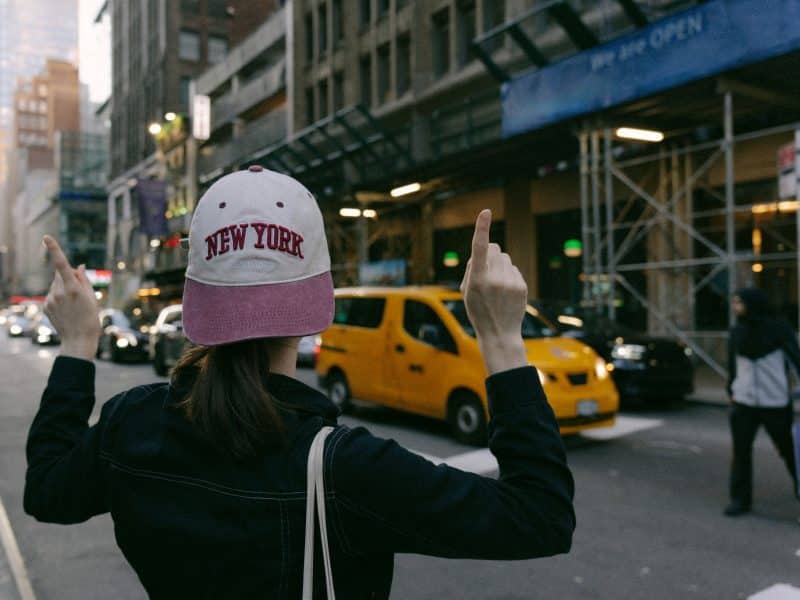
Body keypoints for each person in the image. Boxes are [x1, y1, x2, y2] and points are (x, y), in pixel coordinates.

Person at [25, 167, 575, 598]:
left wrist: (77, 346)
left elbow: (47, 491)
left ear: (199, 294)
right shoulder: (348, 468)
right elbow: (541, 517)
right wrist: (501, 338)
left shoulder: (131, 424)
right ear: (313, 304)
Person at [725, 287, 800, 517]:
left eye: (739, 303)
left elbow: (796, 361)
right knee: (741, 452)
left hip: (774, 401)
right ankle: (740, 499)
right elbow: (733, 366)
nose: (735, 307)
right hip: (744, 402)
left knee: (790, 451)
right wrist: (732, 391)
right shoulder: (737, 332)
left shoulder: (779, 330)